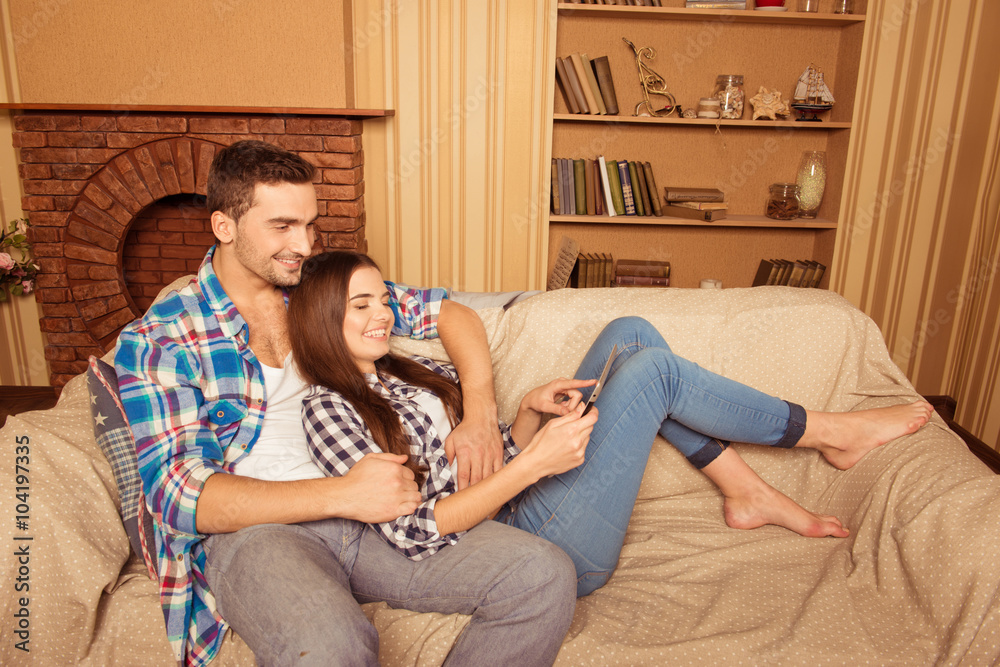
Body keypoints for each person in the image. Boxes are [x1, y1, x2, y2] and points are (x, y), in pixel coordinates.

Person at [115, 140, 577, 667]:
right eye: (282, 226)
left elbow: (453, 315)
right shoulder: (162, 339)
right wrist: (343, 493)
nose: (303, 244)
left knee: (542, 576)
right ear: (224, 227)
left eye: (310, 225)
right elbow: (180, 497)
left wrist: (478, 416)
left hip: (378, 519)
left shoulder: (316, 287)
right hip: (265, 536)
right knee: (332, 646)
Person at [289, 250, 935, 596]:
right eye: (362, 304)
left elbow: (471, 463)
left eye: (383, 299)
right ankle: (826, 431)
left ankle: (744, 492)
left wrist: (524, 417)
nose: (383, 314)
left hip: (522, 497)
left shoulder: (398, 370)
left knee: (632, 334)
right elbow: (417, 527)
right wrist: (533, 462)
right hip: (525, 543)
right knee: (654, 372)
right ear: (322, 319)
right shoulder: (329, 406)